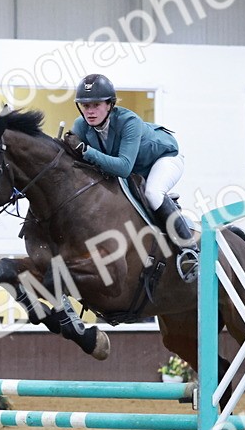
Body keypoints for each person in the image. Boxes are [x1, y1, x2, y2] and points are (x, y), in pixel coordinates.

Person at [64, 73, 198, 282]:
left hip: (162, 159)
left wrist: (86, 151)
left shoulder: (129, 122)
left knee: (153, 193)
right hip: (132, 167)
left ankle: (189, 250)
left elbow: (124, 167)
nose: (90, 111)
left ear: (110, 105)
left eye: (96, 105)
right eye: (85, 105)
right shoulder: (81, 125)